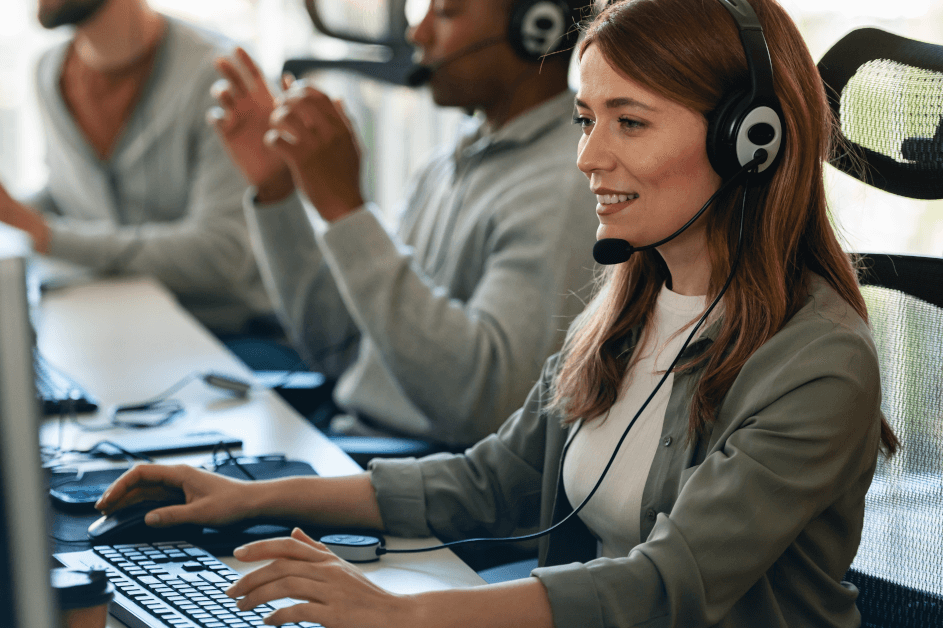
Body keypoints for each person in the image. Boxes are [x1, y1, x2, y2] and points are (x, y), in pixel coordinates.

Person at [94, 0, 901, 625]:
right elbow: (492, 481)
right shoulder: (632, 303)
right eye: (586, 119)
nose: (587, 155)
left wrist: (401, 615)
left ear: (747, 142)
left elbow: (666, 587)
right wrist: (249, 494)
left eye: (630, 121)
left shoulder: (817, 361)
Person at [208, 0, 600, 447]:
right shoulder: (446, 166)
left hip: (417, 473)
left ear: (537, 28)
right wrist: (278, 191)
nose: (419, 33)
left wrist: (347, 212)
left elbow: (488, 407)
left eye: (447, 12)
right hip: (355, 440)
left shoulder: (567, 183)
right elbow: (339, 347)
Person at [0, 0, 272, 335]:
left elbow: (223, 254)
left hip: (228, 334)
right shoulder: (48, 71)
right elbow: (69, 194)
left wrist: (49, 237)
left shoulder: (218, 76)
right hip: (114, 321)